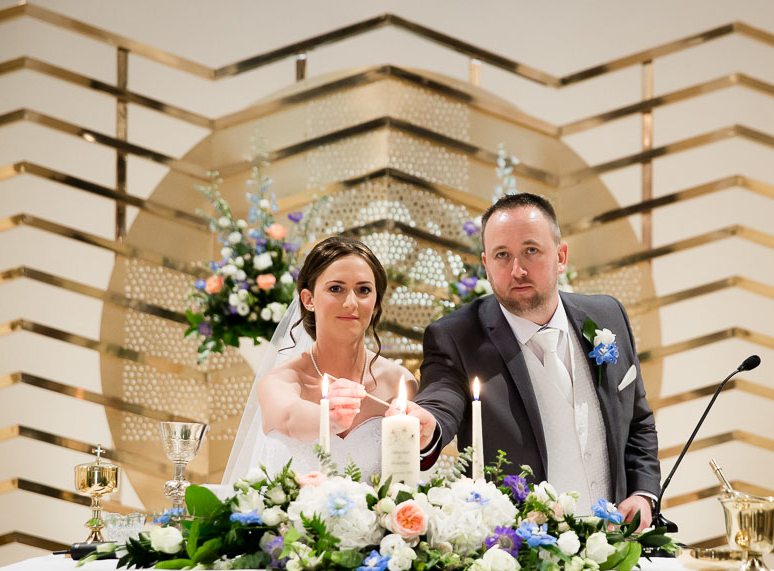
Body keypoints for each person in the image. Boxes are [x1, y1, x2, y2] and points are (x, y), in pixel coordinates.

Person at [394, 193, 660, 528]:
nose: (517, 269)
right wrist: (428, 423)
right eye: (502, 255)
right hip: (523, 553)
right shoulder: (457, 336)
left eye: (531, 251)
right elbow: (441, 397)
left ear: (560, 257)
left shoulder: (608, 315)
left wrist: (643, 493)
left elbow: (638, 422)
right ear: (486, 264)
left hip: (616, 547)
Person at [222, 236, 418, 483]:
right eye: (336, 289)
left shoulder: (399, 382)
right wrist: (330, 417)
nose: (350, 303)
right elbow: (290, 418)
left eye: (363, 290)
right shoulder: (280, 381)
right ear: (308, 299)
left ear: (376, 303)